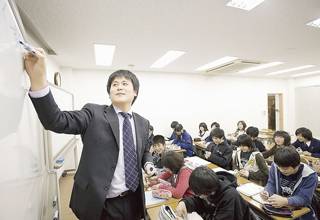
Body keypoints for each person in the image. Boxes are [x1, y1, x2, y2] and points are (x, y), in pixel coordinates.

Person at [24, 50, 155, 220]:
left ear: (135, 92)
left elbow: (145, 150)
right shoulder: (94, 113)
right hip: (101, 203)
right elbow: (56, 121)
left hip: (133, 200)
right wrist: (39, 80)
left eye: (124, 83)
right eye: (114, 84)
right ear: (109, 92)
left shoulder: (143, 123)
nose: (119, 86)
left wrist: (148, 164)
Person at [175, 166, 254, 220]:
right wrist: (184, 203)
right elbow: (198, 200)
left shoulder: (230, 197)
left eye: (201, 194)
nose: (200, 197)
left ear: (209, 192)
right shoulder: (209, 187)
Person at [261, 146, 318, 220]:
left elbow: (304, 199)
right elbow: (271, 183)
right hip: (280, 208)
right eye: (279, 167)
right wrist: (267, 192)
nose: (281, 170)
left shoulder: (310, 175)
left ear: (297, 165)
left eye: (285, 168)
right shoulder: (275, 166)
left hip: (300, 211)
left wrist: (286, 201)